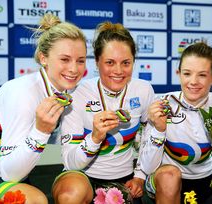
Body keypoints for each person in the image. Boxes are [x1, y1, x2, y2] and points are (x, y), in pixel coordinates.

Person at [52, 22, 155, 204]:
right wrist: (95, 138)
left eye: (126, 63)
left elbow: (150, 135)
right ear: (97, 62)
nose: (118, 71)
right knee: (71, 194)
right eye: (109, 62)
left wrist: (140, 175)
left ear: (133, 62)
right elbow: (70, 163)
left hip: (126, 180)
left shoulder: (143, 89)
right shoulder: (77, 93)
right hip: (83, 178)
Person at [0, 14, 87, 203]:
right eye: (65, 59)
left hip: (19, 171)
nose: (74, 69)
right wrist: (41, 130)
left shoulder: (65, 92)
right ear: (43, 58)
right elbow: (9, 172)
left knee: (76, 189)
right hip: (6, 172)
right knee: (35, 200)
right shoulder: (23, 93)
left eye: (80, 60)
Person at [139, 42, 212, 204]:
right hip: (165, 180)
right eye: (187, 73)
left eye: (202, 75)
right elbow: (148, 167)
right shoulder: (162, 104)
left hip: (205, 181)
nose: (193, 81)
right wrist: (159, 129)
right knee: (169, 176)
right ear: (178, 74)